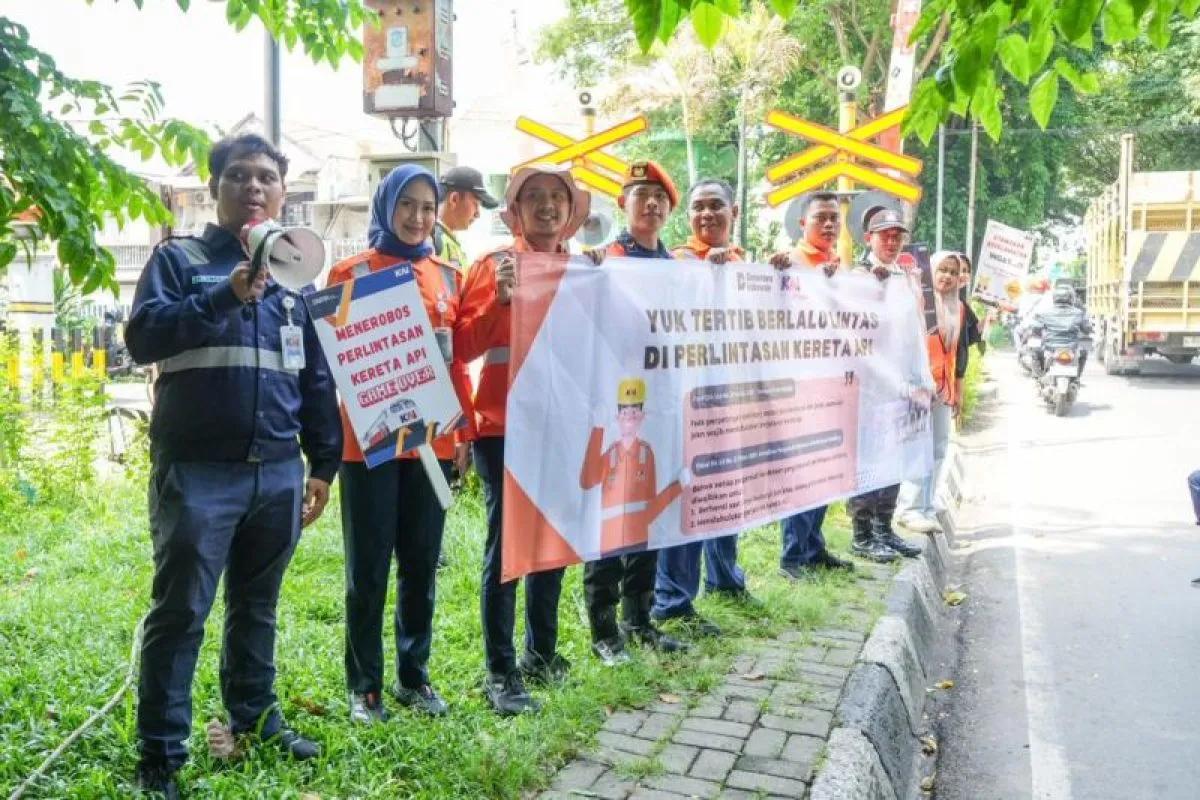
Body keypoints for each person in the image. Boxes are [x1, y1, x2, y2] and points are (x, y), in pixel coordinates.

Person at [125, 133, 342, 797]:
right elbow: (143, 338)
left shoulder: (295, 277)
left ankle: (255, 719)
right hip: (198, 473)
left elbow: (314, 377)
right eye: (239, 176)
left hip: (276, 472)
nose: (254, 187)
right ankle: (161, 754)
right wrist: (226, 294)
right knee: (180, 613)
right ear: (214, 188)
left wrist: (323, 462)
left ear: (283, 193)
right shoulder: (179, 260)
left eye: (266, 178)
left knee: (258, 606)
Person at [326, 164, 477, 724]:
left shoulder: (450, 277)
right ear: (386, 206)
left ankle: (414, 676)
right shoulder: (350, 272)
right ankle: (364, 687)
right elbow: (334, 360)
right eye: (406, 205)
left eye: (427, 207)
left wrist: (463, 432)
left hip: (433, 443)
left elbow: (457, 363)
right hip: (367, 443)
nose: (417, 217)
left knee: (420, 564)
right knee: (367, 570)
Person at [455, 162, 589, 715]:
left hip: (564, 427)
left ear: (571, 212)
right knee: (508, 548)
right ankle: (500, 670)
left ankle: (542, 652)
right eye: (534, 197)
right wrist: (501, 301)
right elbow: (462, 346)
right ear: (515, 211)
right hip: (504, 428)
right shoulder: (493, 265)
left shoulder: (585, 273)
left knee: (552, 539)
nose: (546, 206)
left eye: (556, 196)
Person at [584, 160, 690, 666]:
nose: (651, 204)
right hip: (616, 409)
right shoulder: (606, 261)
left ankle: (639, 619)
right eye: (641, 195)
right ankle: (603, 629)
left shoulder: (676, 268)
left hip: (661, 408)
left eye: (660, 198)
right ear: (623, 204)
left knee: (649, 515)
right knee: (613, 518)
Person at [653, 179, 760, 635]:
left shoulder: (742, 264)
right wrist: (704, 275)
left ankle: (725, 577)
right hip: (688, 402)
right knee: (690, 496)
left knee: (726, 489)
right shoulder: (678, 261)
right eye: (698, 207)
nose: (706, 215)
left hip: (730, 397)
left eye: (716, 206)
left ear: (734, 212)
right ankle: (672, 599)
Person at [764, 193, 859, 578]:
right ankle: (792, 556)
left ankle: (813, 547)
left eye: (835, 218)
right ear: (803, 224)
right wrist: (775, 277)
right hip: (799, 385)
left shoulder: (836, 267)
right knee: (804, 469)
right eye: (821, 217)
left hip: (832, 383)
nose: (830, 224)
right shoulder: (788, 264)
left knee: (827, 467)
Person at [846, 207, 926, 562]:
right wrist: (872, 288)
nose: (891, 242)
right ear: (869, 239)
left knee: (895, 457)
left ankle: (884, 528)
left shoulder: (903, 277)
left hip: (901, 383)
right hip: (869, 385)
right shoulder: (857, 275)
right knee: (869, 458)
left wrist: (921, 378)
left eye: (897, 236)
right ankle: (862, 534)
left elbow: (914, 332)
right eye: (885, 236)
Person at [896, 251, 967, 533]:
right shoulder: (918, 301)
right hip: (919, 387)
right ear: (931, 272)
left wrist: (954, 391)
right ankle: (909, 508)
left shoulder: (958, 308)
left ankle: (926, 504)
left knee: (938, 449)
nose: (947, 276)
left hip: (943, 391)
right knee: (917, 448)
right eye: (942, 270)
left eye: (953, 272)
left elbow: (955, 353)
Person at [434, 166, 499, 272]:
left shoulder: (446, 240)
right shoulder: (433, 241)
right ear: (454, 199)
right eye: (475, 204)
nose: (478, 214)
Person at [1031, 284, 1092, 371]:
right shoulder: (1080, 313)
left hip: (1050, 347)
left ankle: (1038, 373)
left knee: (1034, 345)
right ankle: (1078, 374)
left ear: (1054, 297)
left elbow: (1035, 330)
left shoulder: (1044, 313)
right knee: (1086, 345)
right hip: (1072, 347)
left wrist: (1040, 336)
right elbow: (1087, 329)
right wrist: (1088, 330)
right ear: (1071, 298)